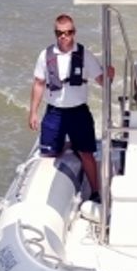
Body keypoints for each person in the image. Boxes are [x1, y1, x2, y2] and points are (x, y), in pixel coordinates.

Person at [28, 14, 114, 201]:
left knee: (87, 154)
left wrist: (109, 76)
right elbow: (39, 83)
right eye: (59, 33)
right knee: (49, 155)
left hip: (78, 112)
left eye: (68, 32)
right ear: (55, 33)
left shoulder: (85, 55)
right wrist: (33, 112)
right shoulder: (45, 55)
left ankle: (95, 191)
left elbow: (102, 81)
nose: (64, 36)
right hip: (54, 112)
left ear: (74, 32)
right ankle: (46, 195)